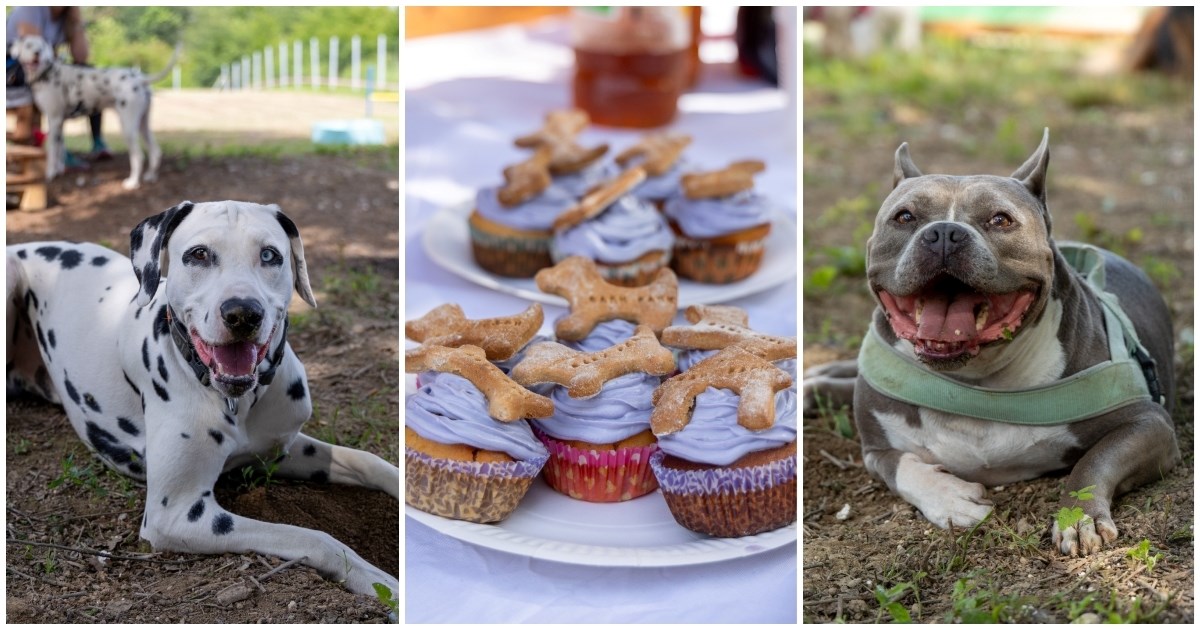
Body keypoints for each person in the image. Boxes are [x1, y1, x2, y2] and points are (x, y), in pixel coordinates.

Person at [6, 6, 111, 166]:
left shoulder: (67, 16)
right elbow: (34, 55)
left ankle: (96, 141)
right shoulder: (30, 9)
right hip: (13, 68)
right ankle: (54, 149)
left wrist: (76, 22)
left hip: (45, 71)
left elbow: (81, 57)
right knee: (53, 86)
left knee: (89, 75)